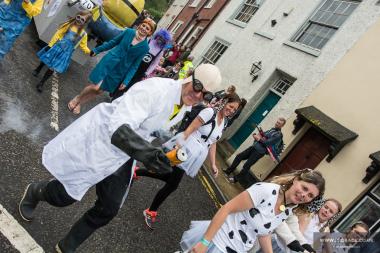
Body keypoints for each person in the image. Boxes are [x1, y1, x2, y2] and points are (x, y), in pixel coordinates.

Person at [18, 63, 222, 252]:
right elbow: (119, 126)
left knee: (109, 207)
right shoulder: (156, 89)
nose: (197, 95)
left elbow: (151, 125)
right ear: (189, 76)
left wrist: (161, 139)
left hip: (125, 153)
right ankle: (35, 191)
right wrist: (147, 153)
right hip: (103, 141)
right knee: (65, 196)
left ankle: (67, 245)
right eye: (197, 87)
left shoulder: (183, 105)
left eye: (204, 95)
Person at [139, 93, 242, 230]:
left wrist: (213, 164)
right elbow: (192, 127)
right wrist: (179, 143)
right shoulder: (210, 112)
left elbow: (213, 142)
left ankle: (138, 172)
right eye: (231, 106)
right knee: (173, 184)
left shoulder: (224, 122)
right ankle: (151, 211)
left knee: (169, 177)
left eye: (234, 110)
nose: (231, 110)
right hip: (188, 147)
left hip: (198, 154)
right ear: (224, 102)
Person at [180, 169, 326, 253]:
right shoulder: (266, 190)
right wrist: (205, 242)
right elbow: (226, 209)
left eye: (310, 196)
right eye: (304, 188)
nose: (304, 195)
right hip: (217, 243)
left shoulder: (287, 211)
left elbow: (264, 232)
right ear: (295, 180)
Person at [67, 18, 156, 115]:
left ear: (150, 33)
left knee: (99, 91)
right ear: (140, 25)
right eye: (143, 25)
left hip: (119, 71)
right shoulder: (129, 32)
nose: (144, 28)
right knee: (96, 87)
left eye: (147, 28)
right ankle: (78, 98)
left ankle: (80, 104)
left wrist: (126, 81)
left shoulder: (145, 48)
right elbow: (113, 42)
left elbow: (135, 65)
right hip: (109, 61)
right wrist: (97, 50)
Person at [33, 11, 92, 92]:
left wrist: (90, 52)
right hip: (57, 46)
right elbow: (58, 34)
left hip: (65, 54)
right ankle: (38, 69)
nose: (78, 20)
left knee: (53, 68)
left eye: (82, 20)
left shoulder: (83, 34)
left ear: (85, 23)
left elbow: (83, 46)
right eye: (78, 17)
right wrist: (50, 45)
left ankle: (41, 83)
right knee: (47, 59)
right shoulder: (69, 25)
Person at [260, 198, 342, 253]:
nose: (326, 211)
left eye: (331, 211)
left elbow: (311, 247)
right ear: (321, 205)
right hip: (279, 245)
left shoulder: (325, 229)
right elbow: (297, 235)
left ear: (333, 216)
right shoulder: (308, 215)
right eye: (326, 207)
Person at [110, 28, 172, 100]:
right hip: (134, 65)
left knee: (129, 85)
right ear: (157, 35)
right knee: (123, 79)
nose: (160, 40)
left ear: (165, 42)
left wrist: (147, 73)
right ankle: (114, 91)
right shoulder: (149, 41)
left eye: (163, 39)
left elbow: (154, 64)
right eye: (160, 37)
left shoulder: (160, 51)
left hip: (141, 71)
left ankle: (116, 98)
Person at [224, 117, 286, 184]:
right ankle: (228, 171)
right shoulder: (273, 129)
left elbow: (267, 143)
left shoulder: (278, 135)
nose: (277, 124)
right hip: (254, 147)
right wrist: (257, 135)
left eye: (279, 123)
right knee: (239, 156)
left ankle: (235, 179)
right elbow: (264, 136)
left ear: (282, 126)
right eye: (277, 122)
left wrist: (258, 139)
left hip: (259, 152)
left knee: (246, 166)